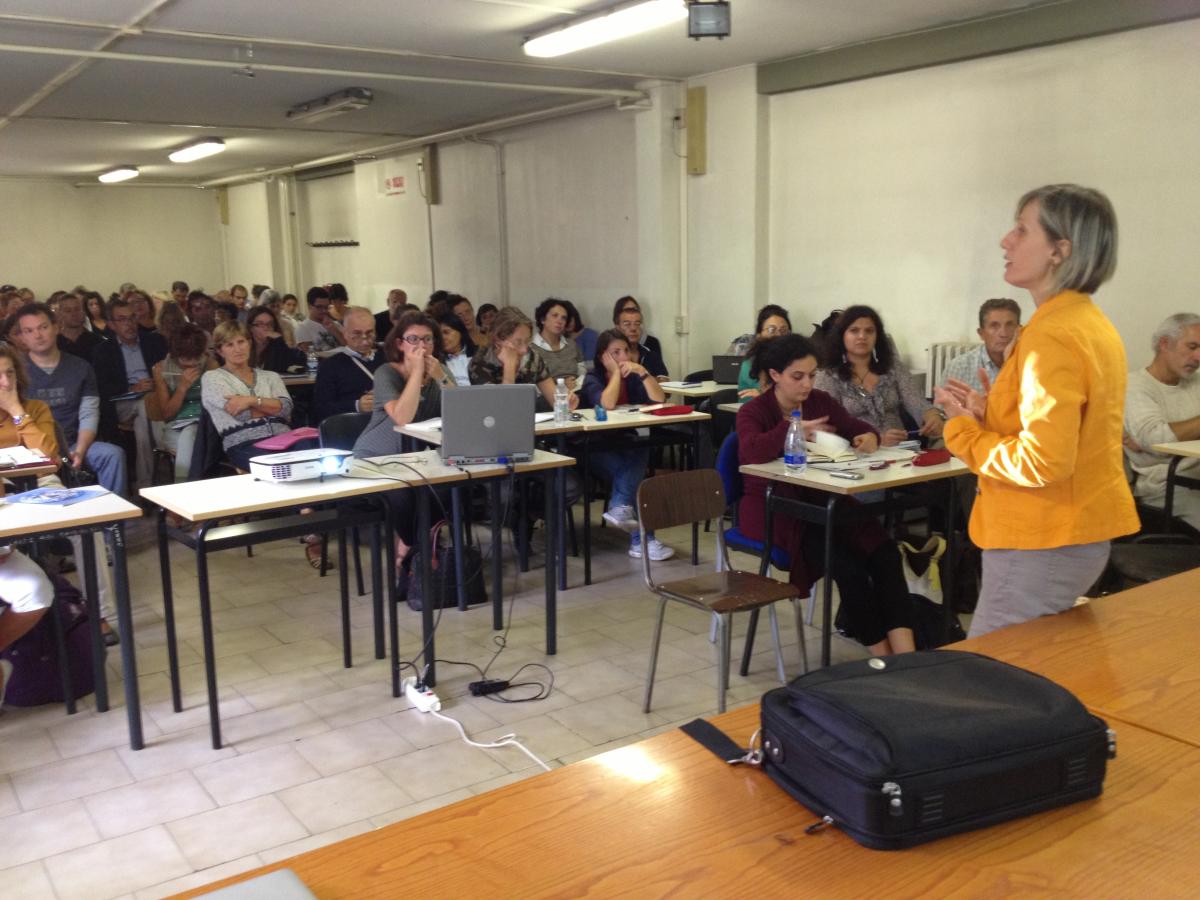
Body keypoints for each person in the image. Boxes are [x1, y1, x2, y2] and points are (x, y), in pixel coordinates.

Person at [937, 183, 1137, 638]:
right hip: (1070, 533)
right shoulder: (1085, 321)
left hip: (1041, 541)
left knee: (994, 685)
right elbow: (1067, 433)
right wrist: (991, 416)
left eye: (1021, 231)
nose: (1006, 241)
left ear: (1059, 250)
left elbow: (1043, 460)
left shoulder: (1050, 335)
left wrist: (963, 430)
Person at [738, 334, 916, 656]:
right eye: (798, 376)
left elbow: (853, 426)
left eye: (812, 374)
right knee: (848, 566)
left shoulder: (819, 401)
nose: (807, 384)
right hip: (775, 508)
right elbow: (750, 451)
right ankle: (883, 657)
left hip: (821, 497)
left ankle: (908, 654)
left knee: (886, 552)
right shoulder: (753, 411)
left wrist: (868, 437)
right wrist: (793, 430)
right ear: (775, 375)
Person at [352, 312, 450, 565]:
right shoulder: (387, 373)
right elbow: (403, 417)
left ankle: (421, 547)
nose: (421, 345)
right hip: (377, 457)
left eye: (427, 339)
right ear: (400, 344)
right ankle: (411, 549)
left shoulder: (439, 371)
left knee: (445, 489)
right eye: (413, 339)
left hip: (417, 458)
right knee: (402, 494)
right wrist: (417, 373)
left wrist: (442, 377)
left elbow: (463, 411)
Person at [579, 330, 675, 560]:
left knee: (639, 455)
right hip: (594, 446)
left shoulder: (632, 376)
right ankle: (644, 540)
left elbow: (659, 399)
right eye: (616, 353)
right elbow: (607, 403)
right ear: (603, 356)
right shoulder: (593, 378)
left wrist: (642, 372)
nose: (623, 357)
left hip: (624, 442)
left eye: (626, 351)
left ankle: (621, 507)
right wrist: (614, 374)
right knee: (633, 475)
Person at [18, 303, 127, 496]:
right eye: (29, 330)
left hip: (74, 442)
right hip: (32, 448)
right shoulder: (16, 372)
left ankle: (112, 521)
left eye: (43, 327)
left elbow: (89, 413)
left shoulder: (80, 367)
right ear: (23, 336)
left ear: (56, 327)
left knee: (112, 454)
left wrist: (80, 451)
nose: (37, 335)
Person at [815, 305, 942, 446]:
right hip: (853, 455)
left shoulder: (893, 367)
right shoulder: (827, 376)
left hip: (901, 451)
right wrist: (877, 439)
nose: (862, 336)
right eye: (854, 331)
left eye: (869, 331)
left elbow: (916, 401)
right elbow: (827, 429)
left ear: (877, 337)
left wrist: (932, 416)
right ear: (842, 336)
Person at [1123, 312, 1200, 529]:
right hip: (1169, 486)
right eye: (1192, 347)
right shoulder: (1135, 386)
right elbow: (1156, 441)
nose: (1199, 357)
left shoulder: (1195, 383)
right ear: (1164, 343)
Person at [91, 295, 168, 491]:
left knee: (143, 420)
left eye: (132, 318)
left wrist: (156, 383)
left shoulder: (155, 342)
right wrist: (131, 389)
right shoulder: (103, 351)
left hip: (155, 397)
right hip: (121, 402)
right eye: (122, 319)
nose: (130, 324)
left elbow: (168, 373)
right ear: (112, 324)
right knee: (144, 405)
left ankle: (145, 485)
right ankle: (163, 449)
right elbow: (102, 388)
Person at [201, 320, 294, 470]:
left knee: (315, 459)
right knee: (279, 468)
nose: (237, 349)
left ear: (249, 343)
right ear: (220, 351)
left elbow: (286, 409)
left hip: (284, 438)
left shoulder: (271, 376)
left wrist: (250, 400)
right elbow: (241, 414)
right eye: (229, 345)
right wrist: (272, 406)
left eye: (241, 342)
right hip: (244, 443)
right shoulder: (212, 378)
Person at [468, 306, 579, 413]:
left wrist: (566, 402)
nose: (524, 350)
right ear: (498, 341)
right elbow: (501, 412)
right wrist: (509, 369)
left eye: (527, 341)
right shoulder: (479, 364)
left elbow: (555, 400)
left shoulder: (532, 357)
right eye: (518, 342)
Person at [151, 324, 215, 481]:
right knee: (190, 435)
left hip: (206, 424)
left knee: (193, 435)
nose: (192, 363)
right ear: (175, 354)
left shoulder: (210, 364)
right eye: (186, 359)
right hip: (176, 427)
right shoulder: (161, 369)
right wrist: (182, 387)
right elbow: (167, 414)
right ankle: (185, 487)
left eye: (196, 358)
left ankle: (182, 487)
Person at [312, 307, 384, 422]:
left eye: (369, 333)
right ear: (345, 333)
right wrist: (356, 406)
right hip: (350, 427)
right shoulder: (329, 366)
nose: (364, 339)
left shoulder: (386, 360)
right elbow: (321, 409)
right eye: (357, 333)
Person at [940, 298, 1023, 397]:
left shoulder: (1032, 365)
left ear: (1020, 331)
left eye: (1009, 325)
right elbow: (942, 410)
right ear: (981, 333)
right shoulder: (960, 366)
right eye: (994, 326)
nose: (1003, 333)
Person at [0, 343, 58, 463]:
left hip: (38, 479)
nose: (6, 383)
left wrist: (16, 411)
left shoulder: (36, 408)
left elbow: (48, 456)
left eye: (10, 373)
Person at [737, 305, 791, 403]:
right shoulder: (751, 363)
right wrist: (765, 397)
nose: (779, 335)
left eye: (783, 330)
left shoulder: (797, 361)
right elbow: (748, 400)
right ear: (759, 335)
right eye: (771, 330)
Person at [532, 298, 586, 389]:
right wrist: (561, 386)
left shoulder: (571, 344)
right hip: (547, 398)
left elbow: (582, 371)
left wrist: (577, 383)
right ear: (543, 319)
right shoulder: (531, 348)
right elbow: (531, 385)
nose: (559, 321)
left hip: (577, 391)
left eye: (563, 318)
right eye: (555, 315)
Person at [615, 304, 668, 381]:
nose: (633, 328)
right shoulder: (612, 355)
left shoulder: (650, 354)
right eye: (627, 324)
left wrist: (642, 372)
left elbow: (666, 382)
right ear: (617, 328)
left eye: (637, 324)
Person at [247, 306, 305, 375]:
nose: (266, 328)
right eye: (260, 324)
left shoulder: (278, 346)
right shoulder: (244, 346)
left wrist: (279, 340)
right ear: (251, 327)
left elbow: (296, 362)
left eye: (269, 324)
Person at [295, 286, 343, 354]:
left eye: (326, 307)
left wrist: (335, 331)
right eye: (319, 307)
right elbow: (311, 355)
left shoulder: (335, 324)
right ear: (309, 306)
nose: (324, 311)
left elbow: (350, 348)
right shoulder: (303, 328)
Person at [55, 293, 103, 361]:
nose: (74, 314)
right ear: (60, 314)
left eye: (77, 309)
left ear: (84, 312)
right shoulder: (54, 345)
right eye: (68, 311)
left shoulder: (98, 343)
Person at [437, 314, 475, 386]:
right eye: (439, 335)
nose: (442, 338)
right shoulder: (437, 362)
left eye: (446, 332)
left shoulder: (479, 355)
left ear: (460, 332)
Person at [561, 300, 597, 367]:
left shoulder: (590, 335)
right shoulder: (559, 337)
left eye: (570, 319)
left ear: (575, 317)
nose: (569, 323)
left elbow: (591, 364)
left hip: (587, 374)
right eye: (566, 320)